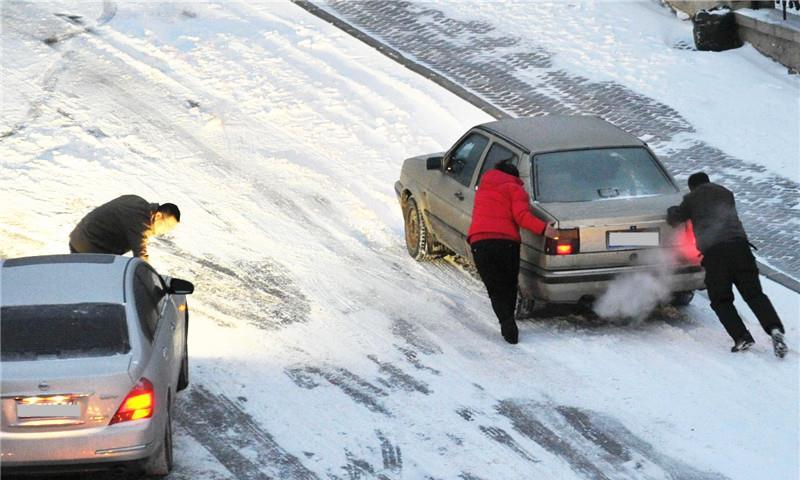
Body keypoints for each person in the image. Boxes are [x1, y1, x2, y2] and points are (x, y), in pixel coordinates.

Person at [667, 172, 787, 357]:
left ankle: (741, 337)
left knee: (721, 300)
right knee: (754, 294)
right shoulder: (725, 193)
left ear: (692, 187)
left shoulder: (691, 198)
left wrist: (672, 210)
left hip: (716, 254)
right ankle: (774, 329)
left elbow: (676, 218)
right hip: (741, 248)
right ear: (708, 181)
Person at [468, 161, 548, 344]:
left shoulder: (483, 188)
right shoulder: (515, 189)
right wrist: (544, 229)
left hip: (480, 242)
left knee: (494, 287)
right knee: (508, 284)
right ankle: (509, 323)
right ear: (515, 176)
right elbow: (522, 217)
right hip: (506, 243)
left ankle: (506, 322)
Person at [69, 195, 180, 263]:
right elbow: (141, 256)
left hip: (79, 237)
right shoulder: (142, 222)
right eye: (167, 226)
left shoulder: (137, 200)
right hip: (90, 247)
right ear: (158, 216)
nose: (166, 231)